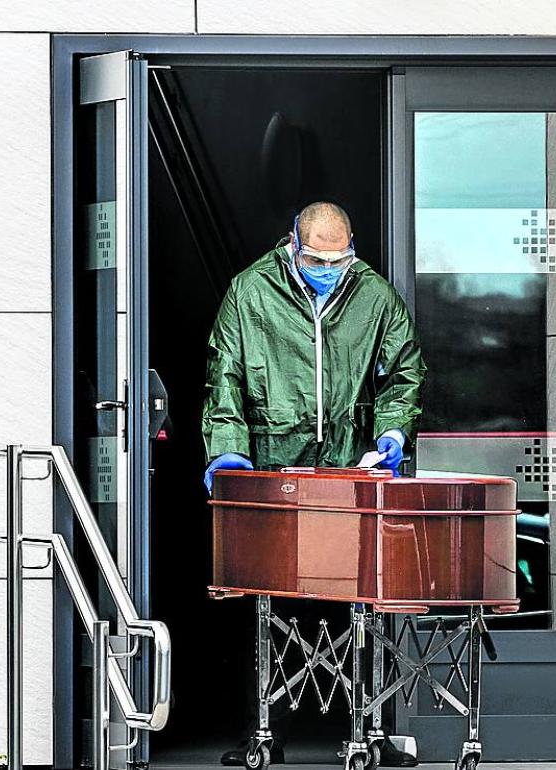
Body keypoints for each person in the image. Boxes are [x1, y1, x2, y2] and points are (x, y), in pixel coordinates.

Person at [201, 202, 426, 766]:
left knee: (362, 602)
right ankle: (263, 732)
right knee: (270, 601)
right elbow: (224, 374)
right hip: (275, 466)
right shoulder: (251, 292)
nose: (329, 269)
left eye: (339, 259)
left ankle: (370, 732)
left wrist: (392, 432)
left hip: (351, 469)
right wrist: (228, 450)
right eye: (318, 259)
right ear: (293, 245)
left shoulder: (374, 296)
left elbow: (404, 373)